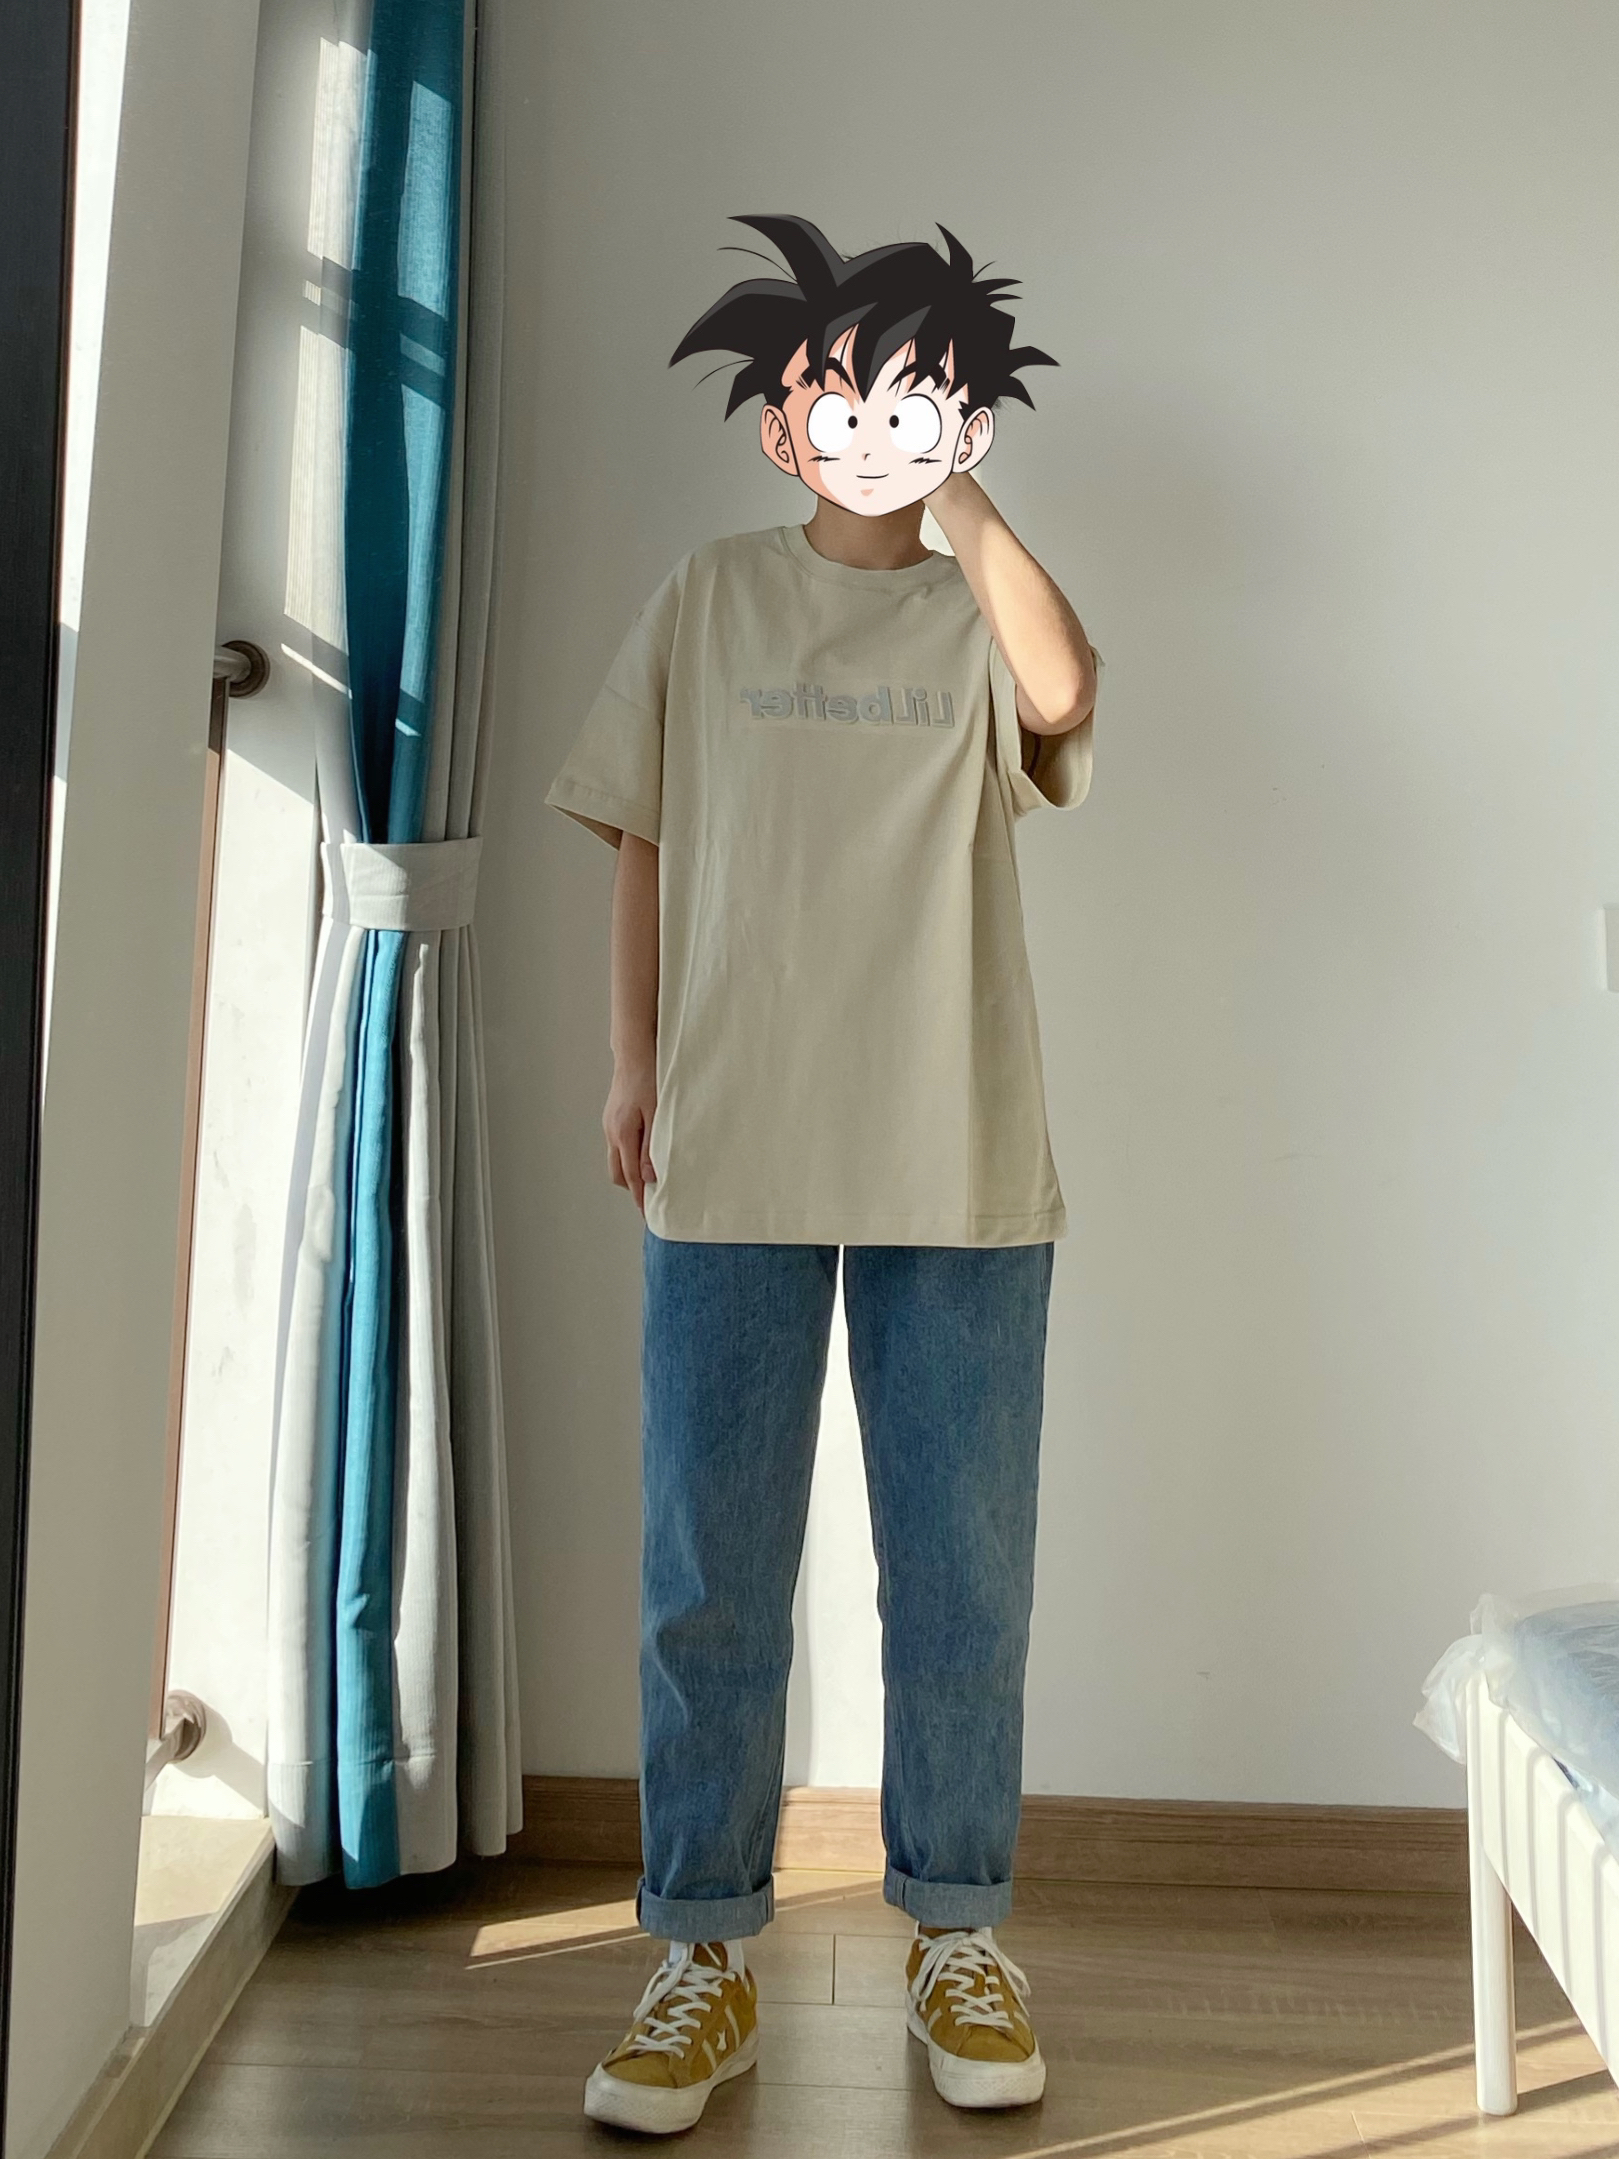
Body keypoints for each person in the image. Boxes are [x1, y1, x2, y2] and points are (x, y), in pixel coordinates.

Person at [543, 214, 1101, 2137]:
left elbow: (1060, 697)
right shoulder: (708, 597)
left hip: (957, 1142)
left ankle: (959, 1931)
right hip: (732, 1138)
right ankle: (700, 1956)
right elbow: (638, 830)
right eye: (839, 398)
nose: (872, 427)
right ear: (782, 422)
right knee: (710, 1572)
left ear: (965, 418)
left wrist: (966, 510)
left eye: (915, 399)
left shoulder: (976, 607)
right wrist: (633, 1064)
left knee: (961, 1575)